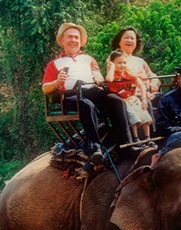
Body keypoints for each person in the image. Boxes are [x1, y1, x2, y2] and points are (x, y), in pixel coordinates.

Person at [42, 22, 134, 165]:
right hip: (69, 96)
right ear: (62, 41)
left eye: (76, 38)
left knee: (116, 100)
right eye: (70, 37)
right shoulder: (54, 64)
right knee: (86, 105)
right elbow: (45, 88)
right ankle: (94, 147)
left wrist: (98, 77)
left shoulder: (88, 59)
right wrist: (56, 82)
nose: (73, 40)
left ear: (81, 41)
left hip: (91, 91)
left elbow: (97, 74)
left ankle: (126, 143)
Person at [106, 49, 155, 147]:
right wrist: (111, 66)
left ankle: (147, 138)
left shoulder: (128, 74)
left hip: (132, 98)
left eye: (124, 62)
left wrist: (144, 99)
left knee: (144, 115)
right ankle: (135, 138)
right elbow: (109, 79)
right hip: (123, 101)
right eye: (119, 63)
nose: (122, 65)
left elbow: (140, 84)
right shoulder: (113, 74)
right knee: (134, 118)